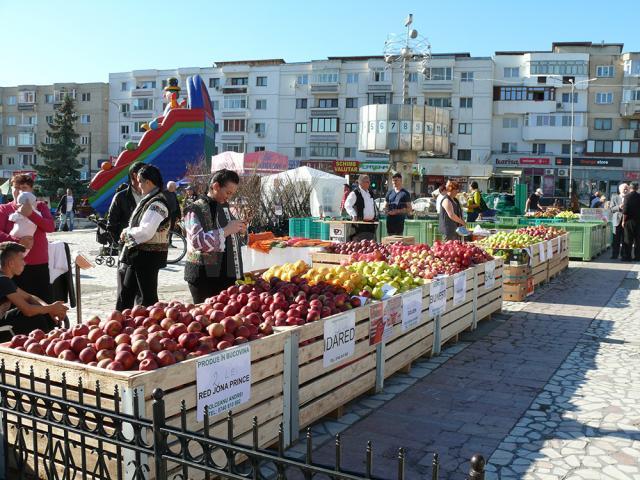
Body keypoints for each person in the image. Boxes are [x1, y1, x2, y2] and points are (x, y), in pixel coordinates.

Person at [183, 169, 247, 303]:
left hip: (224, 275)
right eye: (228, 192)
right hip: (203, 277)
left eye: (232, 194)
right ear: (216, 186)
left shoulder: (224, 207)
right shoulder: (194, 209)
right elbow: (197, 241)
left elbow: (230, 233)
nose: (229, 197)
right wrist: (226, 231)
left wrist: (239, 230)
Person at [117, 165, 170, 308]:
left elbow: (147, 231)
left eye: (140, 181)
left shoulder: (157, 203)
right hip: (139, 256)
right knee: (126, 294)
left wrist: (127, 233)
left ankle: (148, 327)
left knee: (147, 298)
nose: (138, 185)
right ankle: (123, 321)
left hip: (148, 257)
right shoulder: (149, 199)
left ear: (148, 182)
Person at [0, 174, 55, 303]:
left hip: (38, 264)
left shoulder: (40, 206)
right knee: (16, 306)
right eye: (16, 187)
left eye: (24, 188)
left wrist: (30, 214)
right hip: (11, 266)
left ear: (31, 190)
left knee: (43, 303)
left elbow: (50, 227)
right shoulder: (4, 209)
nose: (19, 191)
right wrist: (17, 241)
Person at [0, 242, 68, 340]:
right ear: (11, 263)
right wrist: (51, 308)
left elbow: (29, 297)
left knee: (38, 311)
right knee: (36, 319)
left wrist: (49, 309)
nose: (25, 263)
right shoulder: (3, 281)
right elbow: (28, 310)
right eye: (22, 259)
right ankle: (44, 345)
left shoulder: (4, 279)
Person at [344, 174, 378, 241]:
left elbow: (372, 206)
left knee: (371, 245)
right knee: (360, 245)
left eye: (369, 181)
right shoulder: (355, 193)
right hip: (360, 225)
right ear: (360, 182)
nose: (369, 183)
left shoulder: (370, 193)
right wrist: (354, 215)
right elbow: (347, 205)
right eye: (366, 182)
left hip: (371, 224)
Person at [622, 183, 640, 261]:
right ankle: (638, 257)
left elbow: (625, 211)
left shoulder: (627, 197)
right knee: (638, 240)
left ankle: (627, 256)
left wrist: (623, 221)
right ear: (637, 188)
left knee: (628, 239)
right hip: (639, 221)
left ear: (630, 187)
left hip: (629, 221)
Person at [610, 183, 629, 260]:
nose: (625, 190)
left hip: (626, 221)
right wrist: (619, 207)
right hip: (617, 221)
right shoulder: (614, 197)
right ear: (620, 190)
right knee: (616, 239)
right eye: (624, 189)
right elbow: (611, 209)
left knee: (625, 239)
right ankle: (615, 254)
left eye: (626, 189)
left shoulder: (629, 197)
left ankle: (623, 255)